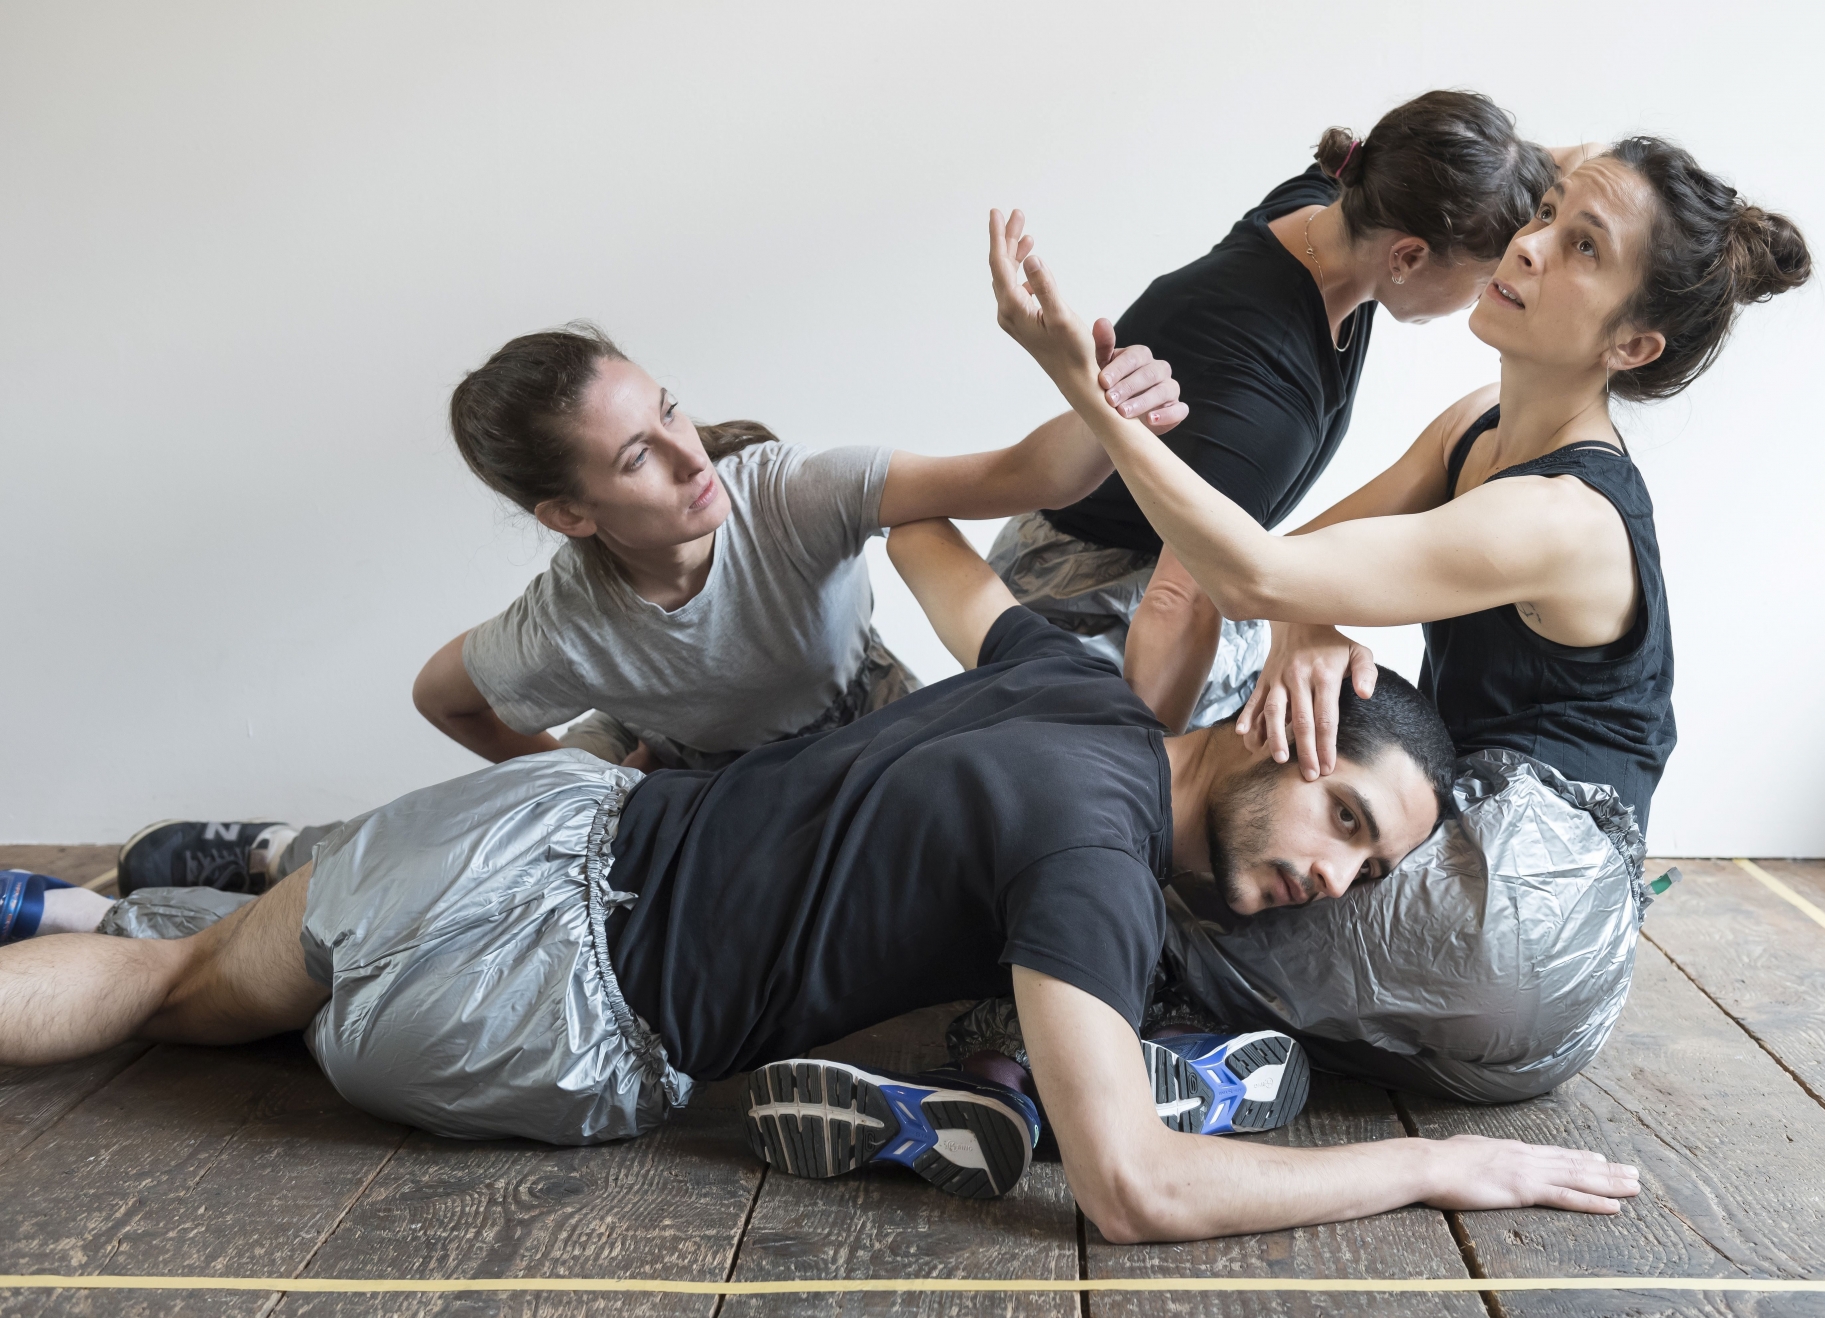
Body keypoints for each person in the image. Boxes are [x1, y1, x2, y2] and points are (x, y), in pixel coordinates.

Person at [0, 518, 1642, 1240]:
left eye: (1371, 868)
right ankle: (144, 917)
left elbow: (933, 557)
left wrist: (989, 437)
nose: (1332, 881)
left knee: (173, 992)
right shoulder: (1094, 874)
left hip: (537, 835)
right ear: (1283, 731)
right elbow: (1135, 1188)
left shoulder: (1065, 680)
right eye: (1349, 820)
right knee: (212, 1004)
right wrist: (1436, 1170)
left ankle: (136, 911)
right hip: (549, 1021)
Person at [85, 320, 1187, 906]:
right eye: (637, 458)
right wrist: (590, 773)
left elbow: (1019, 473)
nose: (684, 454)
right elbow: (443, 696)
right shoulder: (564, 625)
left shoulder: (788, 490)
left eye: (668, 410)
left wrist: (1101, 405)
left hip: (858, 748)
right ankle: (280, 853)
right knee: (466, 857)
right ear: (568, 513)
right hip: (691, 786)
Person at [987, 135, 1812, 832]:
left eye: (1582, 246)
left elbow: (1251, 575)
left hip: (1534, 878)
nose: (1527, 243)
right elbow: (1294, 567)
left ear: (1633, 347)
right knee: (1227, 765)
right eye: (1546, 212)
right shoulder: (1478, 420)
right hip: (1443, 802)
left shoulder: (1563, 516)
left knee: (1187, 836)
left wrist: (1097, 401)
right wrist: (1302, 616)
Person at [985, 90, 1593, 731]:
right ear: (1408, 256)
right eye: (1480, 278)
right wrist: (1143, 784)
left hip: (1105, 555)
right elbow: (1176, 599)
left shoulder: (1338, 203)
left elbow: (1514, 168)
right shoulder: (1271, 397)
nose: (1483, 295)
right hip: (1083, 602)